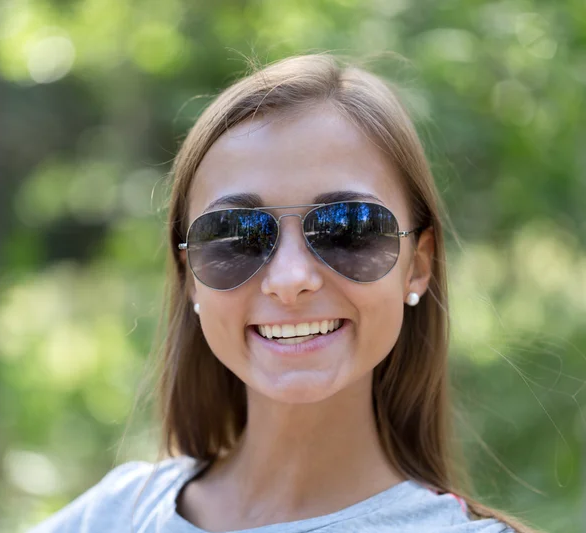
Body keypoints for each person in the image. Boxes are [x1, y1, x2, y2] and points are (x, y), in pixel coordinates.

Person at [29, 54, 539, 533]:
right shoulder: (116, 513)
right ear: (189, 276)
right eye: (235, 234)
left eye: (349, 228)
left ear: (418, 265)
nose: (290, 277)